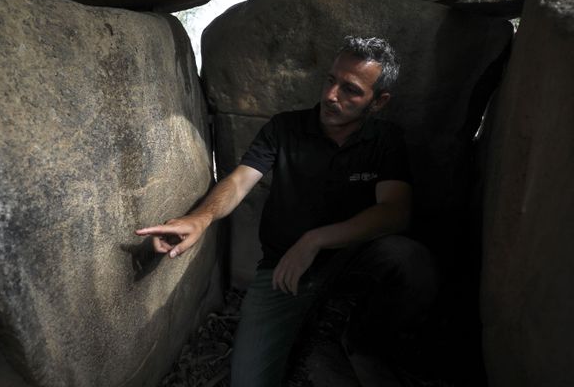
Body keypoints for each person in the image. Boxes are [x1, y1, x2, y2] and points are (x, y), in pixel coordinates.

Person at [136, 36, 437, 386]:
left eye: (350, 90)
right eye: (330, 80)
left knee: (410, 259)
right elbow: (238, 182)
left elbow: (395, 213)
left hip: (352, 261)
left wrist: (315, 240)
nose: (330, 95)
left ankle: (358, 339)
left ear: (379, 101)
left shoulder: (385, 140)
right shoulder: (284, 128)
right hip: (284, 269)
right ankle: (308, 320)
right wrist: (200, 219)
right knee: (249, 381)